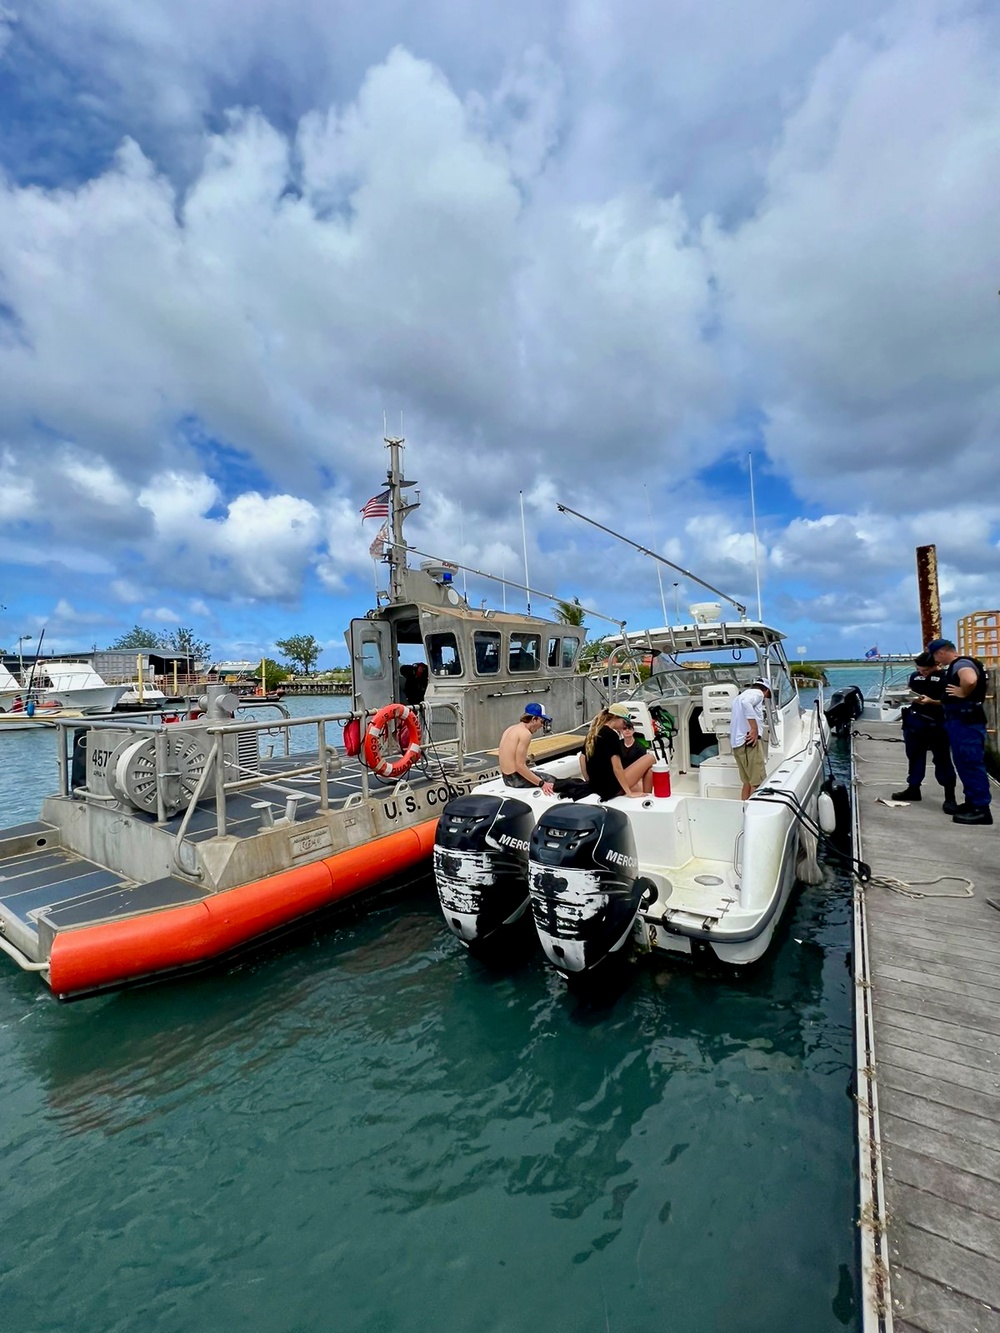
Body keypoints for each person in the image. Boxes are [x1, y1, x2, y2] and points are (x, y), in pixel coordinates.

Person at [927, 639, 992, 825]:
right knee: (964, 763)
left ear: (940, 652)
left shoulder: (961, 664)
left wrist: (963, 692)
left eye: (935, 656)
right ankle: (972, 803)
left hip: (965, 722)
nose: (936, 661)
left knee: (970, 763)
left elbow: (970, 679)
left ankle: (981, 809)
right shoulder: (962, 662)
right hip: (962, 721)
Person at [891, 652, 957, 811]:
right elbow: (910, 691)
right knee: (914, 756)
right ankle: (913, 788)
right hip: (915, 721)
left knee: (942, 759)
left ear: (935, 665)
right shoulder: (915, 676)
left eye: (925, 670)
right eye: (919, 669)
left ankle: (950, 797)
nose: (922, 673)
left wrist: (931, 701)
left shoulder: (945, 678)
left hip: (937, 723)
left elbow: (950, 701)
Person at [582, 702, 655, 800]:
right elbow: (617, 768)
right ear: (615, 718)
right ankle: (648, 800)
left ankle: (646, 796)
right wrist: (629, 793)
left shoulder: (593, 733)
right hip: (611, 789)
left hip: (597, 786)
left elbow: (582, 759)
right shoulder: (611, 735)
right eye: (624, 722)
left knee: (649, 770)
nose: (624, 726)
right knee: (650, 758)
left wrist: (589, 781)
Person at [498, 701, 555, 794]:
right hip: (515, 780)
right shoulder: (525, 734)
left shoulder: (511, 728)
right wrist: (542, 783)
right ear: (534, 719)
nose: (541, 726)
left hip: (506, 778)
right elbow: (519, 766)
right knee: (553, 781)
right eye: (541, 721)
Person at [730, 679, 771, 800]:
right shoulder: (757, 694)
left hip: (737, 744)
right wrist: (754, 729)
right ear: (766, 691)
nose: (764, 699)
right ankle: (753, 813)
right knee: (757, 782)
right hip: (749, 742)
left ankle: (744, 808)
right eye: (767, 697)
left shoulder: (739, 697)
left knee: (747, 782)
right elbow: (746, 703)